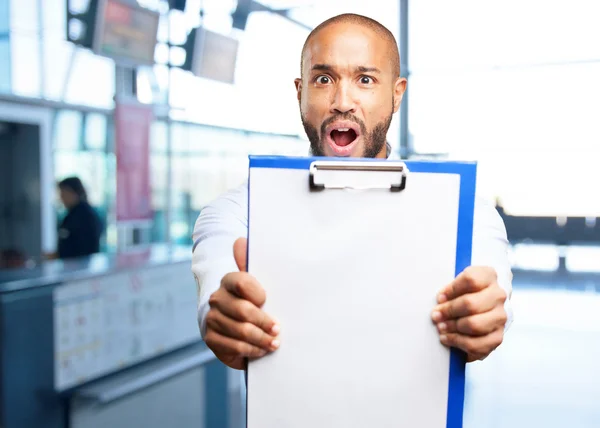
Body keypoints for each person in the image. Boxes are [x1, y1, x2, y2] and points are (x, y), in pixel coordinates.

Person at [192, 13, 513, 370]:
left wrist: (484, 315)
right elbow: (216, 286)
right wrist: (221, 317)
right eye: (324, 79)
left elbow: (493, 295)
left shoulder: (464, 212)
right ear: (301, 93)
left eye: (365, 79)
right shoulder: (239, 211)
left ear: (396, 94)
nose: (342, 101)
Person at [51, 177, 103, 260]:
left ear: (73, 192)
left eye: (63, 193)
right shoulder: (71, 215)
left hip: (80, 267)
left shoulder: (85, 216)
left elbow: (83, 248)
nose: (61, 198)